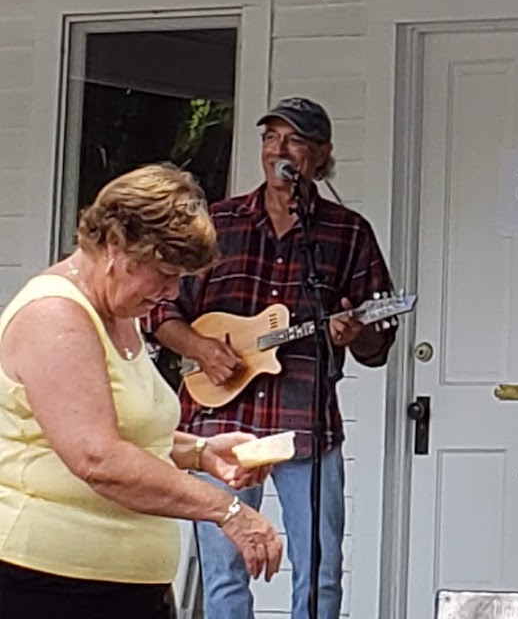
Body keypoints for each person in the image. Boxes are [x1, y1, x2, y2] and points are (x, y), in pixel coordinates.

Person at [147, 97, 397, 619]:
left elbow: (377, 347)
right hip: (220, 420)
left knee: (320, 572)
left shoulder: (348, 232)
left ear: (321, 154)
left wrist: (354, 333)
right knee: (225, 573)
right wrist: (200, 349)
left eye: (294, 140)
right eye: (270, 138)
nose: (278, 150)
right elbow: (161, 309)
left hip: (306, 419)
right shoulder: (218, 222)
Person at [0, 164, 282, 618]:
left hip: (128, 585)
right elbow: (98, 458)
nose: (171, 292)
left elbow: (128, 435)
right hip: (48, 584)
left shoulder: (120, 309)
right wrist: (227, 510)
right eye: (165, 273)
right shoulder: (54, 315)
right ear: (116, 246)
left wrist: (202, 452)